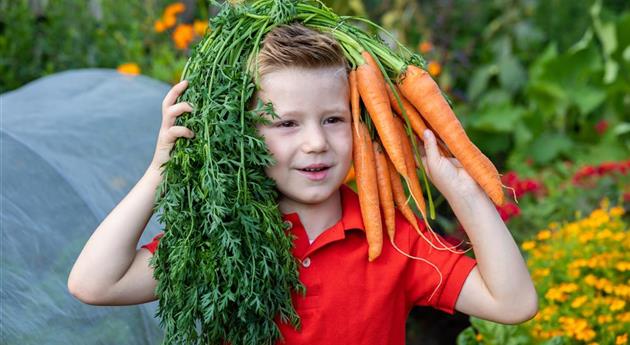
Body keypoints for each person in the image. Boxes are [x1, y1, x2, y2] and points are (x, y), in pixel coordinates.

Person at [68, 23, 538, 343]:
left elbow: (513, 302)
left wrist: (463, 191)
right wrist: (159, 172)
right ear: (242, 135)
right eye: (287, 124)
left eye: (334, 119)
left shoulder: (395, 241)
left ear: (363, 124)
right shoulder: (225, 237)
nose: (316, 143)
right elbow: (94, 283)